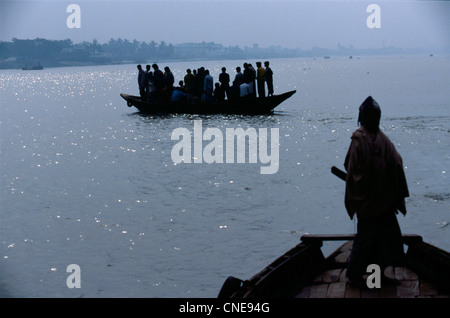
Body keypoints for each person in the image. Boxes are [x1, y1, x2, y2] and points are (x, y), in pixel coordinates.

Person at [343, 96, 409, 288]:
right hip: (370, 203)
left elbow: (395, 164)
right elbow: (353, 166)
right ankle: (354, 276)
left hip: (381, 202)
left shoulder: (379, 138)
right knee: (365, 241)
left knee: (384, 242)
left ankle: (376, 279)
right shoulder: (361, 138)